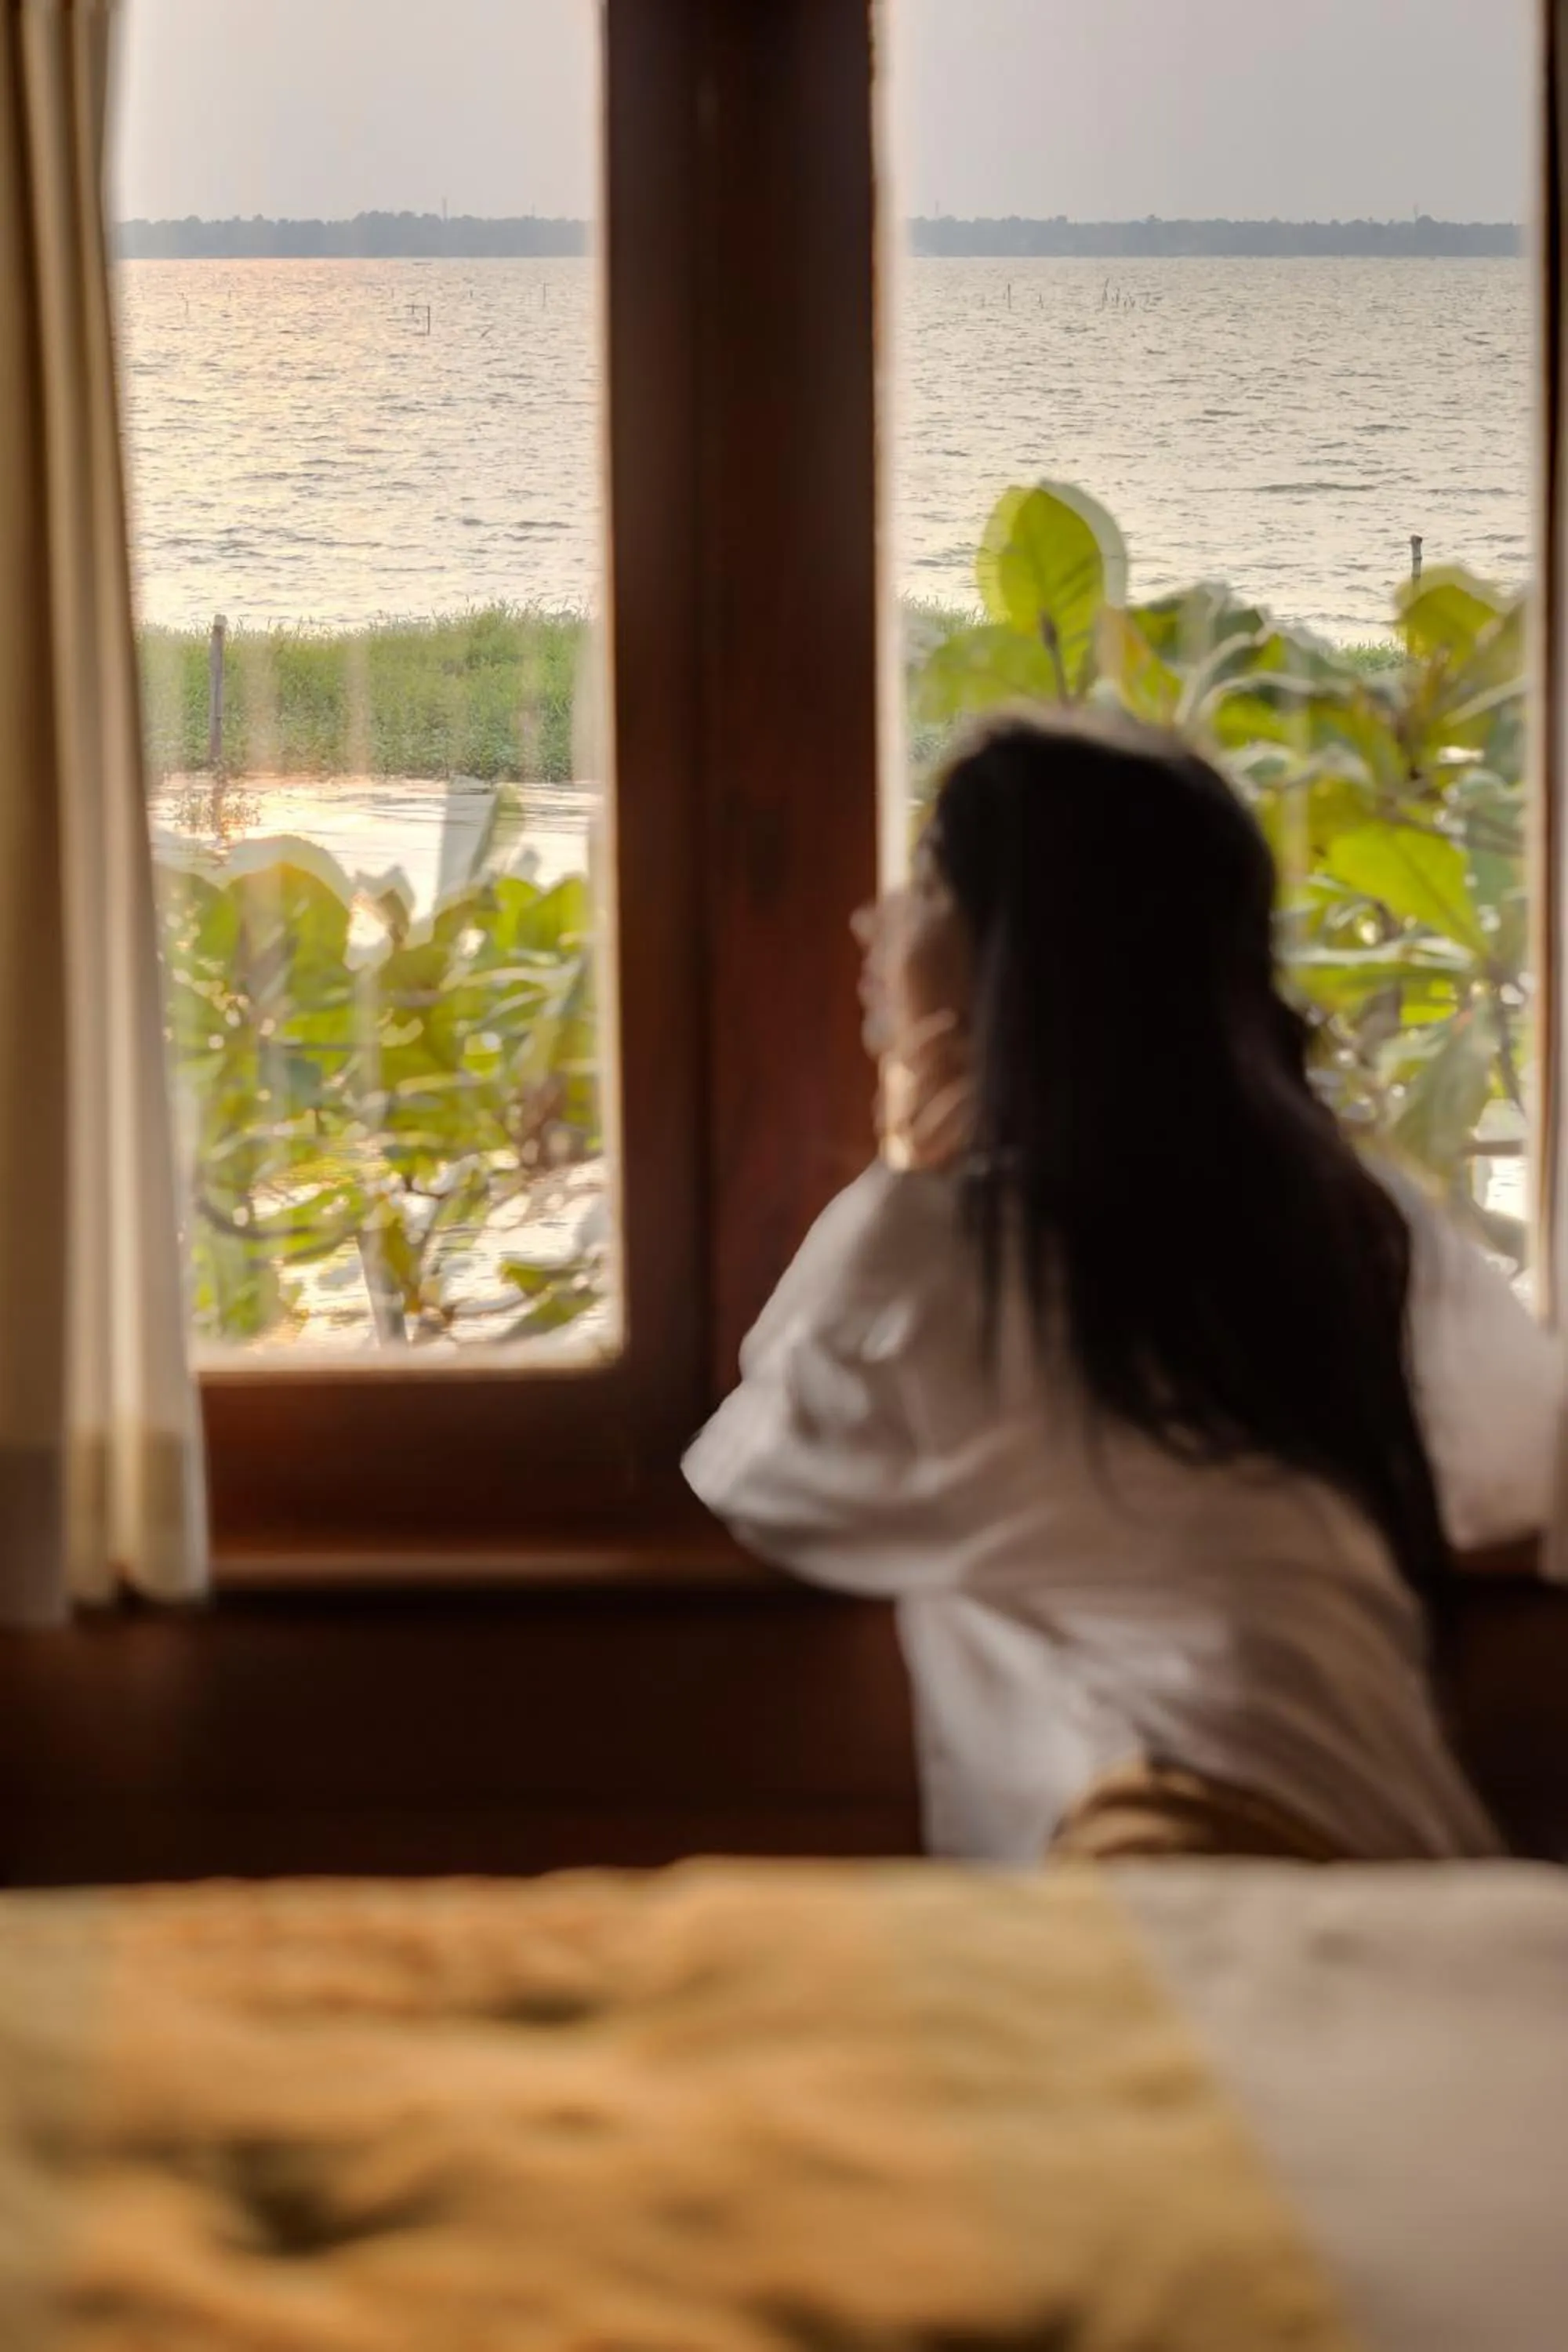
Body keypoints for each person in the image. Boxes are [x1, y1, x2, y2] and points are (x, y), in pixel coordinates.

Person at [684, 709, 1563, 1864]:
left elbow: (765, 1477)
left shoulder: (955, 1257)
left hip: (1184, 1874)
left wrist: (910, 1182)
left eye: (928, 885)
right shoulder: (1351, 1220)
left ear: (1022, 955)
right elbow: (1514, 1468)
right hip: (1389, 1855)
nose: (876, 919)